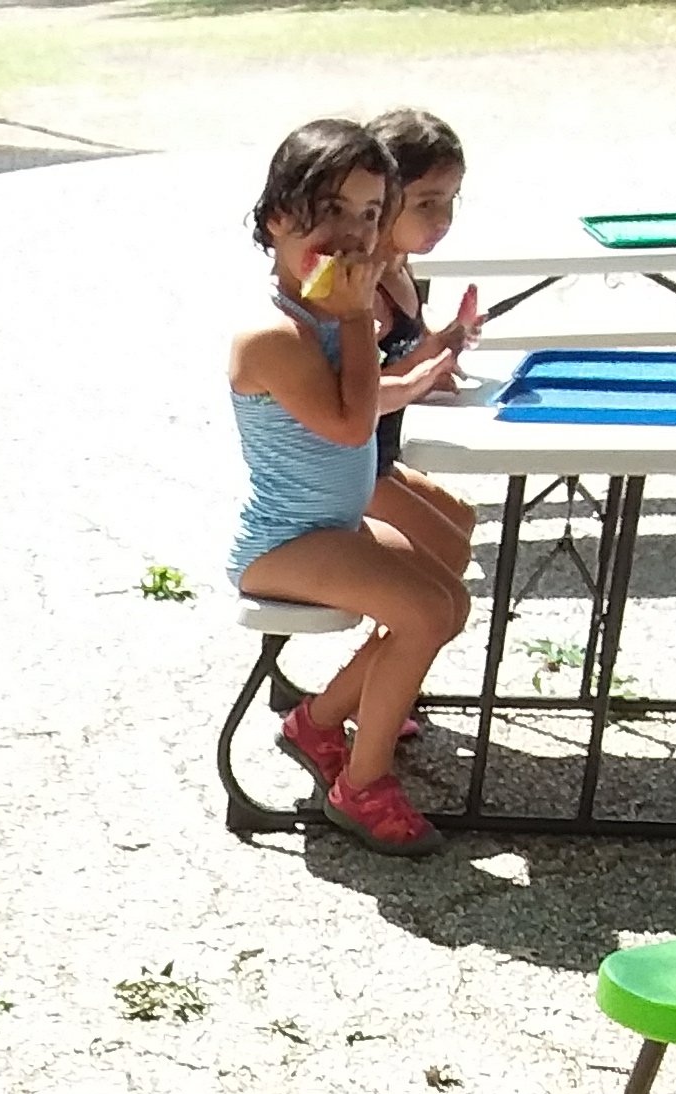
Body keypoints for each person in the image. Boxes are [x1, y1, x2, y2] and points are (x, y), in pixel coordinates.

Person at [228, 117, 472, 855]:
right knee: (424, 614)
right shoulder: (273, 334)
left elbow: (366, 397)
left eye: (369, 215)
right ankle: (362, 788)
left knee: (448, 601)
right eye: (330, 210)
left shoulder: (327, 312)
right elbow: (349, 423)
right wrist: (360, 317)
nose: (352, 234)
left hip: (332, 529)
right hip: (285, 543)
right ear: (277, 218)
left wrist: (414, 363)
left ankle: (319, 721)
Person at [369, 104, 482, 577]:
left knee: (462, 520)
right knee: (446, 553)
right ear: (380, 199)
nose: (443, 219)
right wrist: (429, 361)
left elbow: (404, 354)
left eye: (452, 200)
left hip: (381, 457)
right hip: (347, 470)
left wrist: (446, 342)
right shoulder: (366, 284)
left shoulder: (399, 266)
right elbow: (357, 391)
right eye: (426, 203)